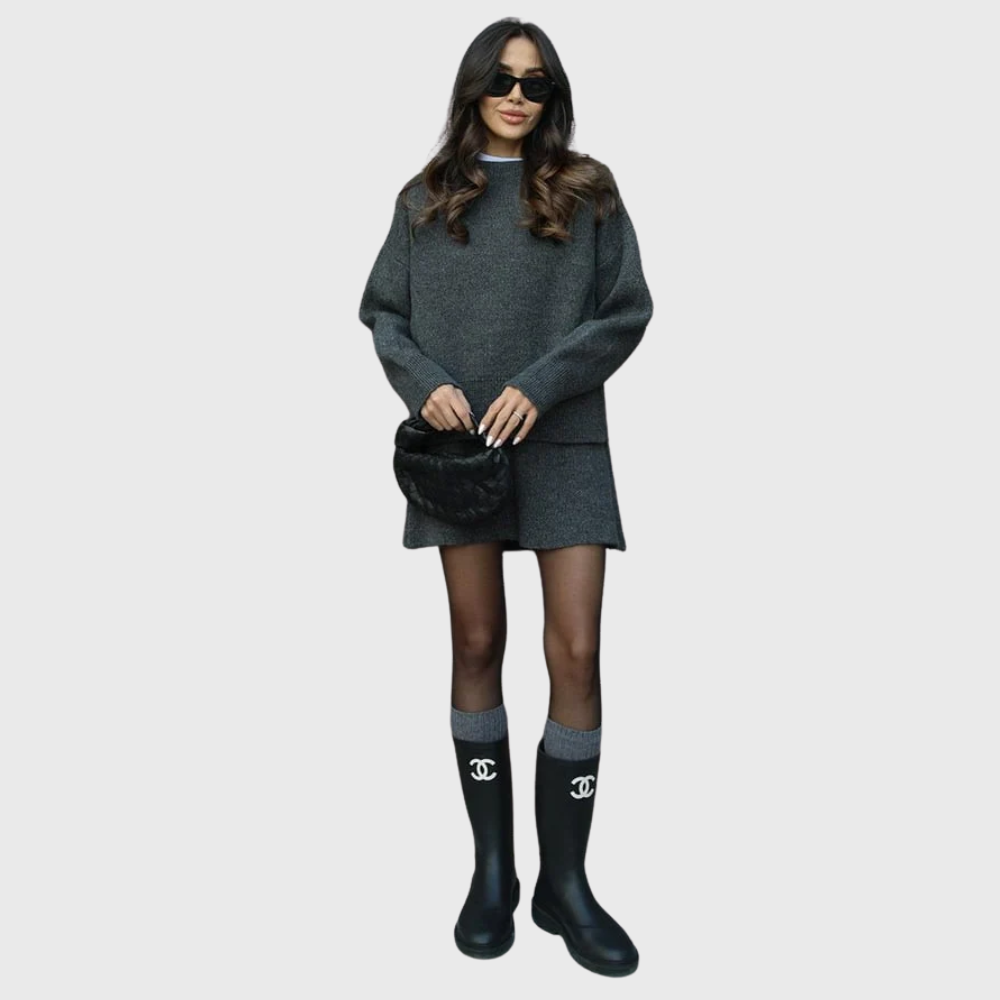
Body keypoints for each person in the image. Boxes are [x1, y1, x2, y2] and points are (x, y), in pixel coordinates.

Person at [358, 18, 653, 978]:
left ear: (550, 93)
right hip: (461, 453)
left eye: (534, 82)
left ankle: (567, 885)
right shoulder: (424, 198)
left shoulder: (588, 190)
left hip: (564, 443)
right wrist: (423, 383)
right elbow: (383, 313)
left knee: (577, 651)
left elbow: (627, 310)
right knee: (477, 644)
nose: (518, 96)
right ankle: (494, 874)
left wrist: (543, 381)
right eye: (502, 80)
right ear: (474, 87)